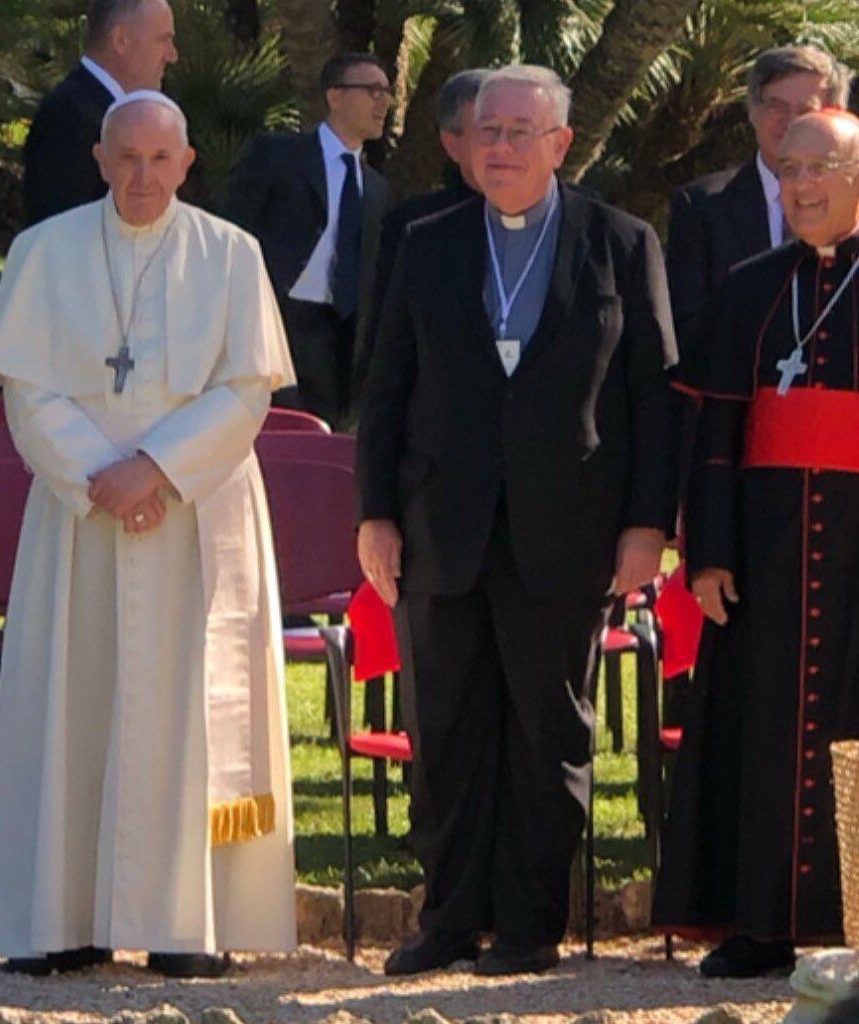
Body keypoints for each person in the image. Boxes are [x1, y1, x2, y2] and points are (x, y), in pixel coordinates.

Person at [356, 64, 678, 977]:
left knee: (548, 732)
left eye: (518, 133)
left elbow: (653, 399)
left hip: (566, 528)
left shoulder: (620, 242)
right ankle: (450, 917)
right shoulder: (423, 239)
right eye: (484, 130)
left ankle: (531, 926)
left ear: (561, 144)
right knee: (446, 729)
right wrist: (374, 513)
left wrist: (647, 525)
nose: (497, 148)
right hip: (439, 527)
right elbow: (383, 388)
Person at [0, 91, 297, 978]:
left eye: (160, 159)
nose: (142, 176)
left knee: (192, 711)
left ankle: (187, 923)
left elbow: (246, 392)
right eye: (126, 157)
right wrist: (102, 479)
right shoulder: (43, 253)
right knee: (68, 703)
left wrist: (153, 469)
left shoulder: (233, 256)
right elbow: (28, 392)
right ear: (99, 157)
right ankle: (60, 919)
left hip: (195, 509)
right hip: (79, 515)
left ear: (188, 163)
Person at [653, 109, 859, 978]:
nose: (800, 186)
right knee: (761, 730)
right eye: (788, 170)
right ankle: (762, 923)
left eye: (821, 167)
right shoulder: (750, 285)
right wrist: (709, 553)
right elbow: (716, 433)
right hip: (766, 553)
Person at [224, 53, 393, 428]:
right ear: (335, 96)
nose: (383, 101)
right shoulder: (277, 155)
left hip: (338, 339)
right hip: (274, 321)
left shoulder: (378, 189)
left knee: (320, 442)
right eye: (371, 90)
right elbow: (231, 234)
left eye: (387, 91)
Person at [668, 45, 851, 383]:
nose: (790, 121)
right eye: (775, 106)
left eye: (806, 110)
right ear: (752, 111)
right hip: (738, 412)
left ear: (835, 115)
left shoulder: (854, 211)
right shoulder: (702, 208)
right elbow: (687, 333)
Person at [354, 68, 487, 402]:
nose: (505, 145)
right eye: (489, 130)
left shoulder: (582, 223)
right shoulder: (414, 226)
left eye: (519, 130)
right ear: (452, 143)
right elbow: (387, 339)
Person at [23, 0, 178, 225]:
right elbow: (62, 232)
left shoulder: (128, 110)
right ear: (120, 41)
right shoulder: (66, 119)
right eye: (163, 40)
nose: (172, 55)